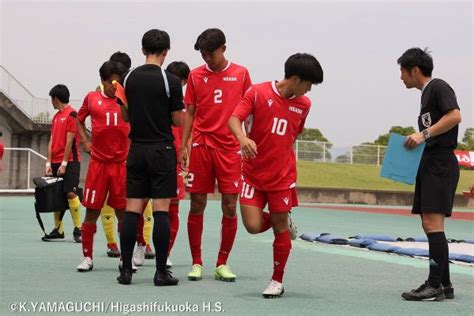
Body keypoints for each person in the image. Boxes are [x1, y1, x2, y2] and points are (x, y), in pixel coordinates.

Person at [228, 53, 323, 298]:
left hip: (282, 177)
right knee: (253, 225)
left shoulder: (304, 105)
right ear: (295, 78)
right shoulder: (257, 92)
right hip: (251, 174)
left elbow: (292, 134)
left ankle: (276, 280)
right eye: (308, 84)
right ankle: (284, 220)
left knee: (279, 228)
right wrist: (243, 138)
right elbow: (234, 119)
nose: (309, 91)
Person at [180, 28, 251, 282]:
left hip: (230, 149)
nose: (206, 59)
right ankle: (196, 261)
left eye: (210, 53)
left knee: (230, 205)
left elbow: (249, 111)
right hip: (201, 146)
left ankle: (222, 262)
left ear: (224, 48)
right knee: (197, 203)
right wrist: (184, 144)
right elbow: (189, 112)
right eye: (203, 54)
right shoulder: (196, 75)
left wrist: (248, 139)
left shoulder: (241, 74)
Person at [117, 29, 183, 286]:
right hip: (162, 150)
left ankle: (125, 270)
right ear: (166, 52)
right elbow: (178, 120)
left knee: (132, 210)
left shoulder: (128, 78)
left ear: (143, 50)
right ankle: (160, 272)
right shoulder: (171, 81)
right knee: (161, 211)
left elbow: (125, 116)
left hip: (137, 148)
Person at [398, 48, 461, 301]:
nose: (401, 77)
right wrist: (416, 141)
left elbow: (455, 115)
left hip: (440, 164)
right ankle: (444, 283)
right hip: (430, 162)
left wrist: (422, 135)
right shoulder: (425, 96)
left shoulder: (438, 86)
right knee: (429, 225)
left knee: (433, 224)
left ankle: (434, 284)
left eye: (403, 71)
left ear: (415, 70)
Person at [132, 61, 191, 268]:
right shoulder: (152, 97)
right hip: (150, 154)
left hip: (172, 160)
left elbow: (187, 130)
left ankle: (164, 253)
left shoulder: (184, 105)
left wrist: (185, 152)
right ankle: (140, 245)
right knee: (139, 205)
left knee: (171, 210)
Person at [75, 60, 129, 272]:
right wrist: (85, 141)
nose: (115, 87)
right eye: (112, 82)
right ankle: (87, 258)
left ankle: (125, 258)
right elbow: (79, 120)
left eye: (118, 82)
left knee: (123, 214)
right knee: (92, 212)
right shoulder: (91, 98)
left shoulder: (127, 100)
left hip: (121, 166)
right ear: (103, 81)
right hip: (98, 165)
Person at [42, 84, 82, 243]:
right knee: (56, 195)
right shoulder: (56, 117)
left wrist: (65, 163)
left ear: (56, 99)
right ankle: (58, 230)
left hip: (71, 161)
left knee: (70, 193)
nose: (51, 102)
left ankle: (78, 229)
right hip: (56, 161)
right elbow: (51, 140)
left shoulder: (72, 114)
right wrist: (48, 163)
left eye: (51, 99)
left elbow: (70, 140)